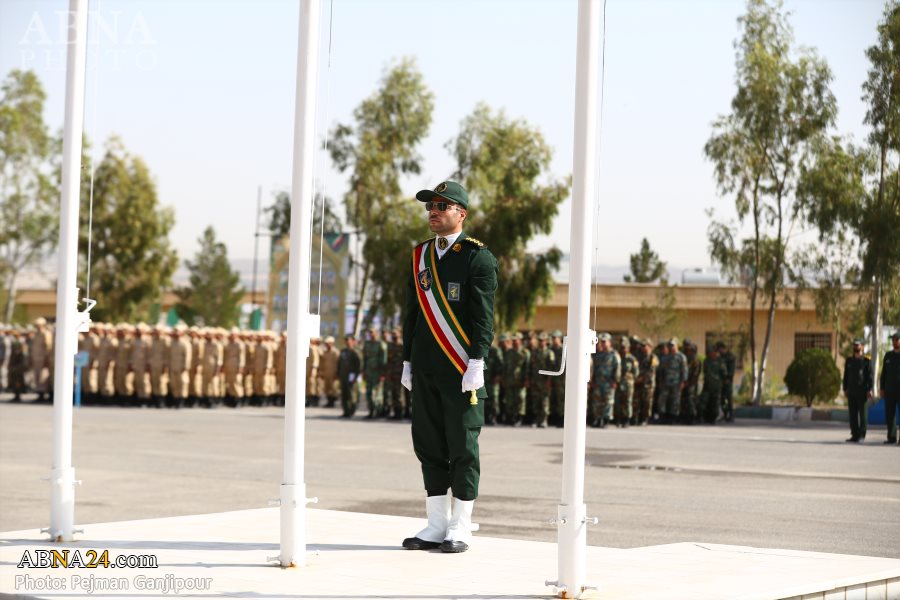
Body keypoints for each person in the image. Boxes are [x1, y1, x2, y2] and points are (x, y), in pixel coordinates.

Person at [401, 180, 498, 554]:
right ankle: (436, 523)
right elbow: (411, 314)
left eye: (442, 206)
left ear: (462, 214)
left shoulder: (477, 257)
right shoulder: (420, 256)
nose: (434, 212)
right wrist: (407, 359)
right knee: (428, 445)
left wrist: (477, 360)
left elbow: (483, 318)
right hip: (426, 367)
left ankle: (461, 525)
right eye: (431, 206)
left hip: (461, 369)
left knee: (462, 447)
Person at [842, 339, 873, 443]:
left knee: (863, 415)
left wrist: (870, 389)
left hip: (862, 392)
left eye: (858, 345)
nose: (856, 347)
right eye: (854, 345)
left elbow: (870, 377)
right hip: (851, 391)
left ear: (862, 346)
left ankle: (861, 435)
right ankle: (854, 435)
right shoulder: (849, 361)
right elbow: (846, 376)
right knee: (853, 415)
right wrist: (845, 388)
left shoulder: (866, 361)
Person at [881, 331, 900, 445]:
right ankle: (891, 437)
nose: (894, 342)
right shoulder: (888, 355)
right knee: (890, 415)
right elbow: (884, 374)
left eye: (896, 339)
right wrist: (882, 388)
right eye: (893, 340)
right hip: (889, 390)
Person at [338, 334, 361, 417]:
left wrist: (356, 376)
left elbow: (359, 366)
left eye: (349, 340)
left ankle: (352, 410)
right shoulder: (343, 351)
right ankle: (346, 411)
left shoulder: (356, 352)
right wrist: (338, 373)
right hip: (343, 375)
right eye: (346, 340)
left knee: (352, 394)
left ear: (353, 341)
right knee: (344, 394)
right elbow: (339, 363)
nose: (347, 341)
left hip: (351, 376)